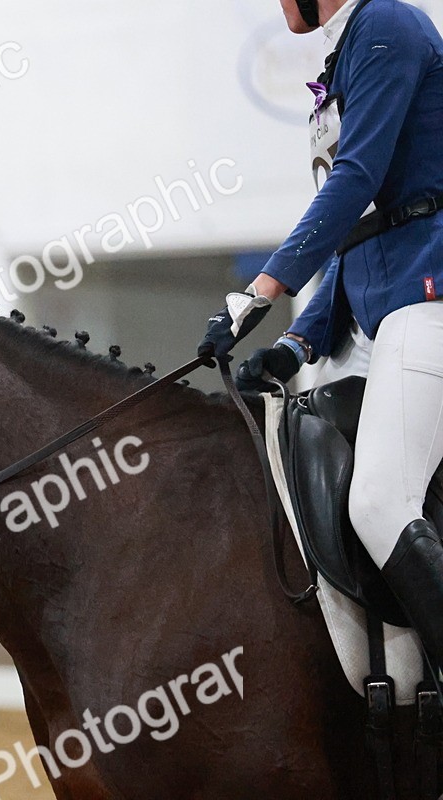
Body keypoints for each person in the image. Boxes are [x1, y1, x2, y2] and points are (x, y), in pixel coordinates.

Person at [197, 0, 443, 673]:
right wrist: (298, 342)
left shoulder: (388, 24)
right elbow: (360, 230)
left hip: (428, 292)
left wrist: (258, 294)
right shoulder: (347, 52)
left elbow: (356, 180)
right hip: (376, 311)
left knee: (380, 501)